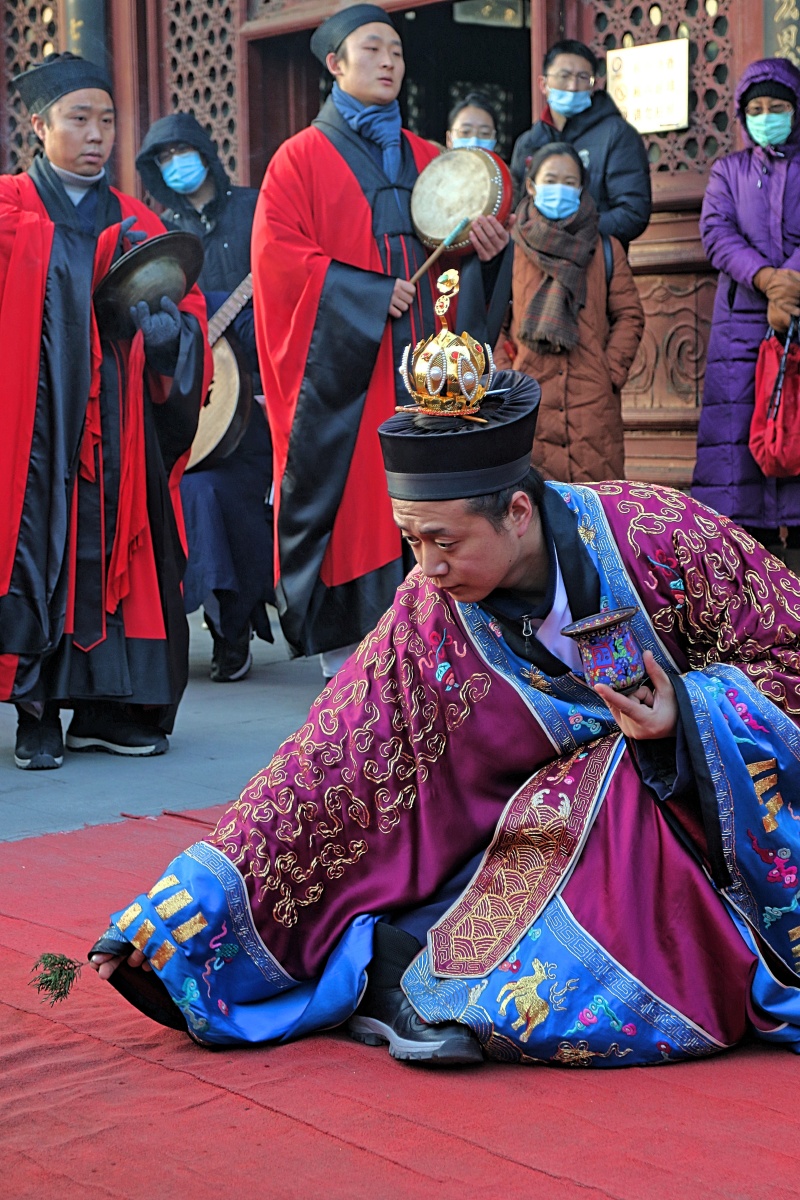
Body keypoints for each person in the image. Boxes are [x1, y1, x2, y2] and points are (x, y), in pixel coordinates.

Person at [88, 311, 800, 1067]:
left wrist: (686, 717)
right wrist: (179, 918)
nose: (425, 566)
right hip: (517, 839)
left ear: (517, 511)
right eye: (411, 541)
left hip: (702, 824)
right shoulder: (427, 616)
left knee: (605, 781)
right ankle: (428, 977)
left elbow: (788, 653)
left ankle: (440, 980)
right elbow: (325, 765)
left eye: (445, 542)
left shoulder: (659, 535)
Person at [251, 3, 509, 679]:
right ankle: (354, 677)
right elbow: (279, 262)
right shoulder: (297, 160)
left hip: (429, 374)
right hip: (355, 383)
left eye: (396, 50)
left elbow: (459, 267)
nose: (390, 61)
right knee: (364, 508)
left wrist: (486, 254)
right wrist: (365, 296)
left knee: (441, 499)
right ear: (335, 64)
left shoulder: (432, 158)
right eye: (372, 49)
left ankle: (446, 654)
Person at [0, 53, 211, 770]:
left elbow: (188, 307)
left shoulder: (138, 217)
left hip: (120, 432)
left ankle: (102, 710)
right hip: (36, 430)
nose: (96, 135)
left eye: (108, 120)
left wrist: (168, 332)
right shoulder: (9, 211)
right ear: (38, 124)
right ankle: (36, 713)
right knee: (42, 552)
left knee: (117, 556)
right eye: (78, 119)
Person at [136, 112, 275, 683]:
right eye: (162, 160)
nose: (176, 165)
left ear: (205, 151)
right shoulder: (161, 230)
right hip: (197, 403)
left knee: (232, 500)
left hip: (258, 401)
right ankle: (215, 626)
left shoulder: (254, 209)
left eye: (181, 152)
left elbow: (286, 292)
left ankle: (235, 624)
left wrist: (272, 384)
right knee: (193, 493)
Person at [693, 58, 800, 574]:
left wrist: (793, 285)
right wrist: (767, 280)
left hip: (798, 312)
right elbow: (716, 233)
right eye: (756, 109)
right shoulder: (727, 171)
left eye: (777, 108)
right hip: (741, 326)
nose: (767, 116)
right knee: (739, 450)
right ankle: (752, 579)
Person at [494, 143, 643, 482]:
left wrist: (608, 372)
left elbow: (629, 315)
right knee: (534, 517)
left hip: (593, 407)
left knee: (596, 514)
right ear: (531, 186)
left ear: (580, 188)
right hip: (528, 402)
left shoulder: (605, 247)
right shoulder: (511, 249)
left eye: (569, 181)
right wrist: (510, 378)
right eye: (550, 180)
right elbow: (493, 325)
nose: (559, 189)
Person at [510, 39, 651, 250]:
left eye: (583, 77)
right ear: (543, 84)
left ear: (593, 85)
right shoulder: (528, 142)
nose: (573, 86)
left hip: (595, 262)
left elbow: (633, 213)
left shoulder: (617, 134)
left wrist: (571, 232)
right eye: (564, 76)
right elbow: (516, 210)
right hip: (532, 266)